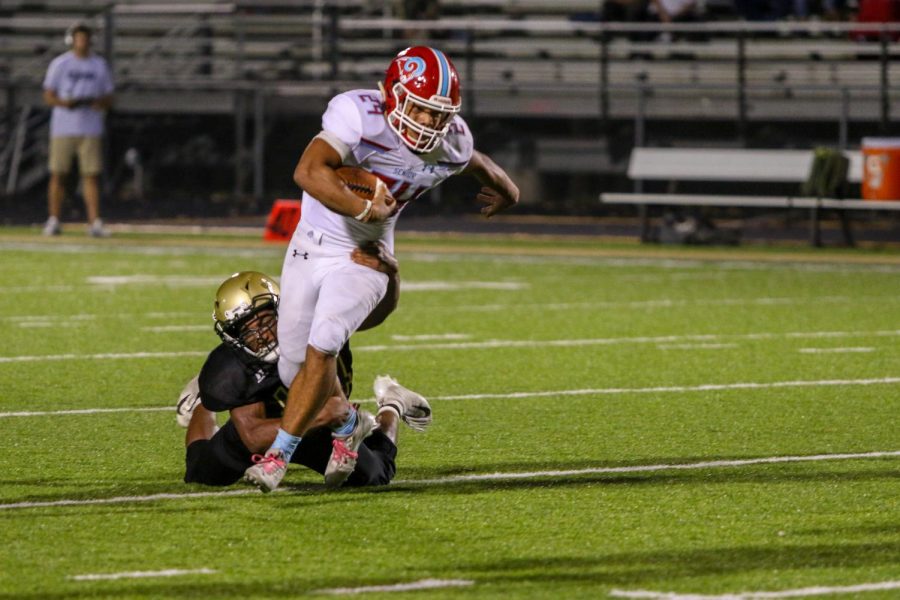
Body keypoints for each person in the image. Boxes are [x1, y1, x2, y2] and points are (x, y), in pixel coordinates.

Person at [243, 45, 519, 494]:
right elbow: (308, 171)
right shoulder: (358, 115)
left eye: (439, 114)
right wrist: (361, 204)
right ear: (393, 96)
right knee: (295, 370)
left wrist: (508, 191)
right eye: (421, 110)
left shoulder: (450, 142)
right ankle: (351, 422)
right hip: (310, 247)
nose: (430, 123)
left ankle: (278, 456)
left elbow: (476, 162)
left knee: (327, 337)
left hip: (365, 257)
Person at [178, 264, 432, 489]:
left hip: (322, 425)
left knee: (376, 475)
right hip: (272, 424)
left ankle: (393, 403)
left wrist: (390, 274)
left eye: (265, 320)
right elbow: (254, 437)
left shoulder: (316, 325)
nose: (262, 334)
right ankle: (200, 397)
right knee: (201, 473)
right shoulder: (232, 367)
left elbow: (374, 314)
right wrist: (323, 415)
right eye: (248, 330)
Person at [42, 22, 114, 238]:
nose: (82, 42)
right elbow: (48, 95)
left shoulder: (99, 65)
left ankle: (94, 221)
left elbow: (110, 96)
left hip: (90, 126)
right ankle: (54, 219)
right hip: (64, 127)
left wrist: (97, 102)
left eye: (85, 38)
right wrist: (67, 103)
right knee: (58, 173)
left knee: (91, 174)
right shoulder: (61, 63)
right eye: (78, 38)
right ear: (72, 40)